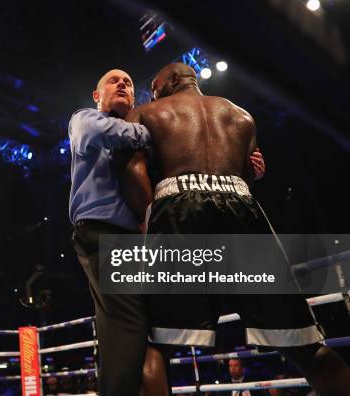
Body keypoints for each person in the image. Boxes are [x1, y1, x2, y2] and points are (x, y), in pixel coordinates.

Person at [125, 62, 350, 396]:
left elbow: (132, 170)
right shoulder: (242, 116)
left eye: (155, 87)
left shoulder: (146, 113)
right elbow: (246, 176)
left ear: (172, 80)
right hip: (243, 209)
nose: (153, 94)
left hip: (180, 212)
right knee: (305, 346)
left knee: (153, 346)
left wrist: (147, 218)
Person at [69, 69, 265, 396]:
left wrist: (246, 166)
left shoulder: (144, 138)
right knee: (126, 332)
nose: (122, 84)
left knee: (153, 337)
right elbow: (105, 133)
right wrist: (163, 128)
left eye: (128, 83)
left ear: (135, 98)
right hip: (104, 235)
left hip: (147, 240)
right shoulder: (86, 119)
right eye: (113, 81)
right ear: (96, 95)